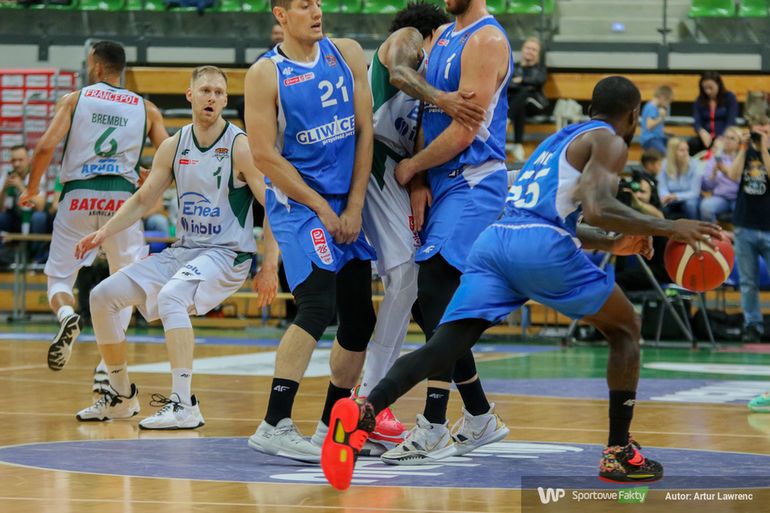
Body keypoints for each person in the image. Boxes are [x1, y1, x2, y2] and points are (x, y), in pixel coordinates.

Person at [321, 76, 722, 490]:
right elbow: (598, 207)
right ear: (635, 115)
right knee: (626, 328)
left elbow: (553, 215)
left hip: (496, 242)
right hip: (539, 247)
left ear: (590, 111)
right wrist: (668, 226)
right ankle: (619, 452)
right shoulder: (611, 141)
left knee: (444, 345)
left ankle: (363, 412)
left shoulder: (556, 142)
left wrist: (611, 243)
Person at [73, 66, 279, 428]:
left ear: (225, 101)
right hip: (185, 250)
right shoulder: (173, 145)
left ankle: (184, 405)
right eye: (205, 90)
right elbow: (143, 199)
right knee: (102, 296)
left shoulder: (240, 146)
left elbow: (272, 208)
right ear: (190, 95)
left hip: (228, 254)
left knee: (172, 297)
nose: (211, 97)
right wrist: (103, 232)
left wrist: (269, 267)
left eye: (218, 92)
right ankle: (121, 396)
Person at [243, 0, 377, 463]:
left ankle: (329, 426)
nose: (316, 11)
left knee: (360, 319)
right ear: (281, 15)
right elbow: (263, 155)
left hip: (346, 202)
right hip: (298, 204)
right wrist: (320, 207)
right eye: (304, 5)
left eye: (319, 2)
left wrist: (354, 206)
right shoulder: (265, 73)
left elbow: (364, 132)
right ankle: (274, 423)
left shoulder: (348, 53)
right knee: (318, 304)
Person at [382, 0, 513, 465]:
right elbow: (428, 115)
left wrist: (411, 166)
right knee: (429, 303)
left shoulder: (486, 39)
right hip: (442, 182)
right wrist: (420, 177)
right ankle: (479, 415)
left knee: (437, 290)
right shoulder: (443, 36)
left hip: (474, 180)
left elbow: (464, 130)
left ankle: (434, 425)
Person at [358, 1, 487, 451]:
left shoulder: (425, 79)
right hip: (373, 159)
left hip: (396, 169)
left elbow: (415, 138)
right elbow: (398, 74)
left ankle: (474, 411)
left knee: (419, 289)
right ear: (433, 33)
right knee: (408, 276)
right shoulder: (409, 39)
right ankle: (369, 399)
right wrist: (444, 98)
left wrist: (417, 179)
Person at [20, 40, 168, 374]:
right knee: (124, 281)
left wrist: (31, 188)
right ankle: (107, 368)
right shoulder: (147, 109)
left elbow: (44, 147)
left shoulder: (75, 99)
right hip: (122, 200)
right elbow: (172, 156)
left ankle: (66, 315)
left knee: (60, 278)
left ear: (97, 67)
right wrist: (152, 175)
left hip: (78, 195)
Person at [727, 120, 770, 349]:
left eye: (765, 128)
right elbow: (733, 175)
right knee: (747, 281)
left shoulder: (766, 151)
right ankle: (752, 325)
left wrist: (764, 149)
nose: (761, 132)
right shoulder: (746, 152)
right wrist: (744, 148)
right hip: (745, 225)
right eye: (758, 128)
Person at [507, 37, 547, 162]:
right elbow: (508, 84)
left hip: (535, 105)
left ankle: (507, 120)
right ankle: (518, 144)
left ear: (538, 54)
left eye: (534, 50)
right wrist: (525, 84)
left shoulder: (540, 68)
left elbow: (538, 80)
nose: (530, 51)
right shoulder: (514, 67)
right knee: (521, 104)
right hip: (518, 106)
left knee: (524, 92)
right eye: (528, 48)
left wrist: (521, 81)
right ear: (523, 50)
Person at [688, 71, 738, 155]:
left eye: (711, 88)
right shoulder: (699, 100)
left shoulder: (729, 98)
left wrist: (722, 137)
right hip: (706, 138)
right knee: (692, 144)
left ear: (718, 85)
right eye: (705, 88)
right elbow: (697, 121)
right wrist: (701, 131)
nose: (708, 91)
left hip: (723, 136)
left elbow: (731, 121)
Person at [699, 125, 741, 222]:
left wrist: (726, 171)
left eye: (732, 138)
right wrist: (713, 174)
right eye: (726, 137)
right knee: (705, 206)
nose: (728, 141)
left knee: (743, 210)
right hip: (721, 197)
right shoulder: (716, 157)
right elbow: (706, 186)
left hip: (739, 198)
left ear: (739, 142)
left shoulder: (743, 158)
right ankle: (713, 231)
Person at [658, 137, 702, 220]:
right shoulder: (664, 164)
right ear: (673, 152)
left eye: (687, 150)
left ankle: (693, 226)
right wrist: (665, 196)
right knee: (662, 205)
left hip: (689, 198)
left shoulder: (695, 165)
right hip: (670, 198)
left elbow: (694, 192)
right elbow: (662, 187)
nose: (686, 153)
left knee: (690, 205)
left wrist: (675, 196)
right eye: (682, 150)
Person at [639, 85, 673, 155]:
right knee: (666, 155)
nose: (667, 105)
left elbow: (653, 127)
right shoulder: (651, 108)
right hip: (650, 140)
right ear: (662, 97)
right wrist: (661, 118)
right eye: (667, 101)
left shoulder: (653, 107)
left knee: (675, 146)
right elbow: (649, 126)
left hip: (656, 138)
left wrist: (666, 132)